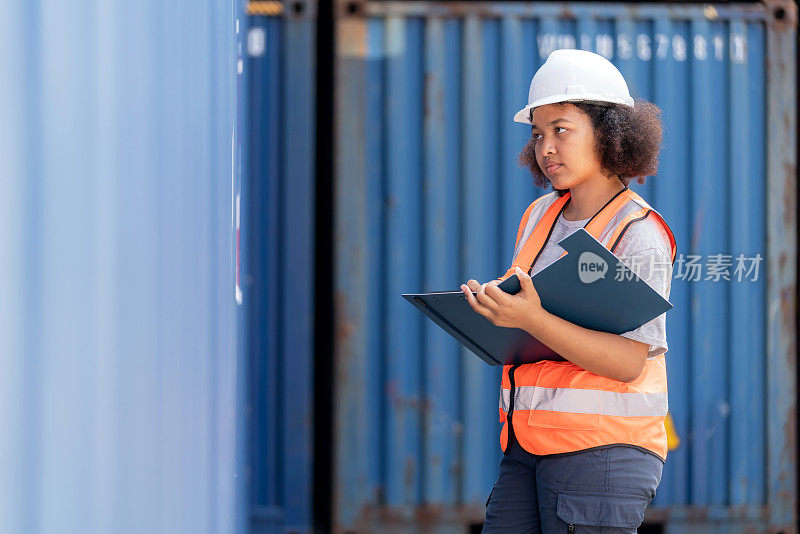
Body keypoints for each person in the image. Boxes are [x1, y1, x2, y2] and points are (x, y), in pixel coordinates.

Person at [459, 49, 677, 533]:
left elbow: (628, 361)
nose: (546, 148)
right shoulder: (538, 216)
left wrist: (532, 319)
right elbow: (533, 328)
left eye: (562, 129)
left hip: (601, 456)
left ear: (609, 133)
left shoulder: (636, 231)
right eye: (537, 134)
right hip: (526, 447)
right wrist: (493, 312)